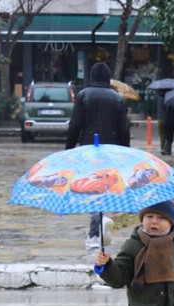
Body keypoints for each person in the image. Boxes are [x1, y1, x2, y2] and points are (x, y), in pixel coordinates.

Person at [65, 62, 131, 248]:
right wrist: (126, 151)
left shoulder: (83, 95)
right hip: (112, 149)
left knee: (93, 187)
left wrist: (69, 150)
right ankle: (99, 222)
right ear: (108, 78)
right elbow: (123, 128)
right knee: (105, 185)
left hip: (88, 148)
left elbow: (75, 125)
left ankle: (95, 232)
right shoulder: (117, 99)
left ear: (92, 77)